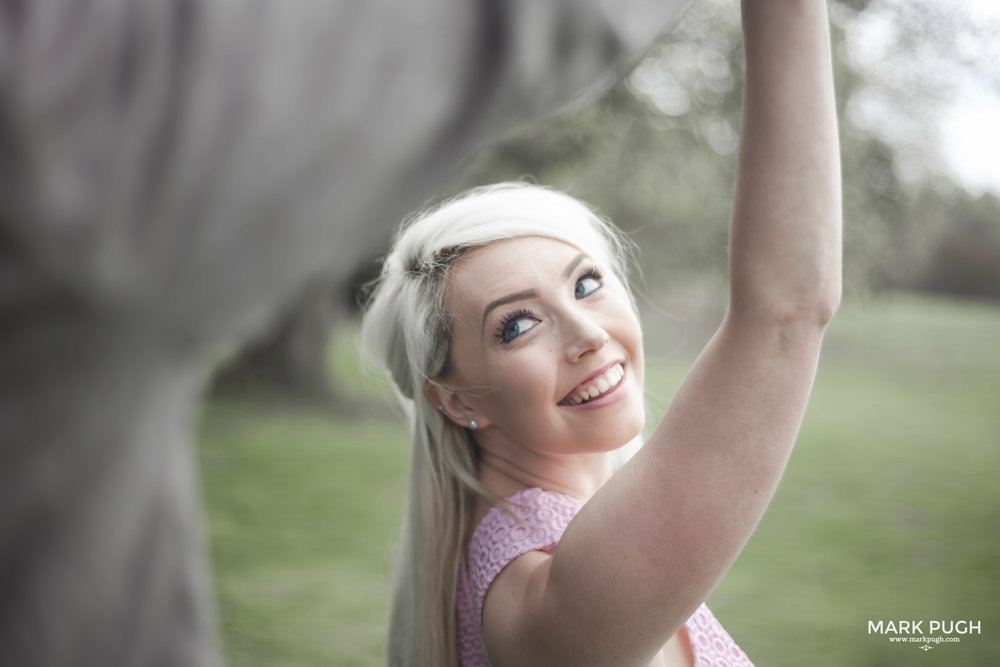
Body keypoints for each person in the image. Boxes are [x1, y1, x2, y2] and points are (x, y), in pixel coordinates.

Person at [360, 1, 841, 665]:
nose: (587, 331)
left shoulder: (552, 535)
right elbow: (786, 308)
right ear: (458, 399)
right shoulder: (540, 581)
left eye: (586, 283)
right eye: (517, 323)